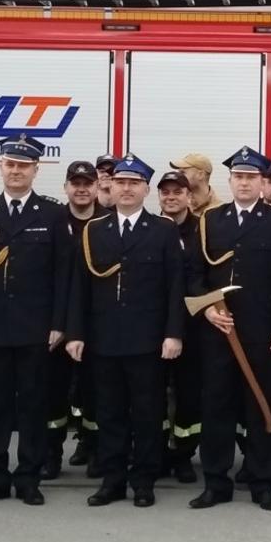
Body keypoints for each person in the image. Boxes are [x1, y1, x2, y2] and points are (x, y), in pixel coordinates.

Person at [67, 155, 186, 508]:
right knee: (109, 413)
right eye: (121, 182)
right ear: (110, 186)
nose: (127, 189)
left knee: (148, 414)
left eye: (134, 183)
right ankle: (113, 480)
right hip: (104, 339)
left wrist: (174, 333)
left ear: (146, 190)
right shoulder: (94, 230)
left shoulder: (163, 230)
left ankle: (144, 480)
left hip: (148, 340)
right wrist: (76, 333)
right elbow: (80, 287)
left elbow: (175, 286)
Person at [187, 147, 271, 511]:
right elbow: (195, 275)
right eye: (239, 177)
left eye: (251, 177)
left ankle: (263, 482)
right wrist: (207, 310)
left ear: (262, 182)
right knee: (216, 406)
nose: (245, 183)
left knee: (261, 403)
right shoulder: (210, 220)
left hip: (261, 331)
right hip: (218, 330)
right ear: (230, 180)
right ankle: (215, 482)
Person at [0, 138, 72, 507]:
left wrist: (59, 323)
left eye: (23, 166)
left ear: (35, 170)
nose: (16, 171)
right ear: (1, 167)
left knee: (33, 406)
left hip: (36, 328)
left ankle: (28, 478)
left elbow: (63, 274)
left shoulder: (52, 214)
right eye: (10, 164)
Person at [47, 159, 105, 478]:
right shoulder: (52, 221)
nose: (81, 189)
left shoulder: (109, 221)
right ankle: (51, 455)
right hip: (55, 321)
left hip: (96, 322)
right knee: (53, 392)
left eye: (87, 184)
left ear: (97, 187)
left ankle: (94, 450)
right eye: (76, 184)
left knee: (95, 392)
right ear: (66, 187)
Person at [156, 170, 204, 483]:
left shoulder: (203, 230)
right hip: (155, 326)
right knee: (154, 395)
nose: (171, 197)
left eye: (178, 192)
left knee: (189, 395)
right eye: (166, 192)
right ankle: (159, 452)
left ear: (189, 196)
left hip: (193, 326)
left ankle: (184, 455)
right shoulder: (150, 228)